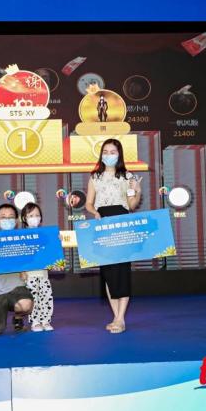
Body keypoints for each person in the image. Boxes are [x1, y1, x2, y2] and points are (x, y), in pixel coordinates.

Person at [85, 139, 142, 333]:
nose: (108, 155)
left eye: (113, 151)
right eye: (105, 151)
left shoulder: (127, 176)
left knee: (122, 271)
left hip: (122, 223)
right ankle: (116, 316)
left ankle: (120, 319)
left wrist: (137, 191)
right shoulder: (95, 177)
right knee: (108, 272)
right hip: (103, 225)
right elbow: (89, 203)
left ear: (119, 154)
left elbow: (131, 204)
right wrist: (95, 212)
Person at [0, 204, 34, 335]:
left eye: (11, 217)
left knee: (25, 305)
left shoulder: (23, 239)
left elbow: (40, 256)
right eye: (3, 217)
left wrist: (56, 242)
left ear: (16, 221)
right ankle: (0, 312)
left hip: (16, 288)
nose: (7, 220)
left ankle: (18, 317)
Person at [20, 201, 54, 331]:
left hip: (43, 273)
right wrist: (22, 271)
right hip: (30, 275)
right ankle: (35, 322)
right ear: (24, 218)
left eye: (37, 215)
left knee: (46, 297)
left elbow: (50, 253)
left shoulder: (45, 235)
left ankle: (45, 320)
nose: (34, 218)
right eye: (31, 215)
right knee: (33, 298)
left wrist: (56, 243)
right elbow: (19, 256)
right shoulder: (21, 236)